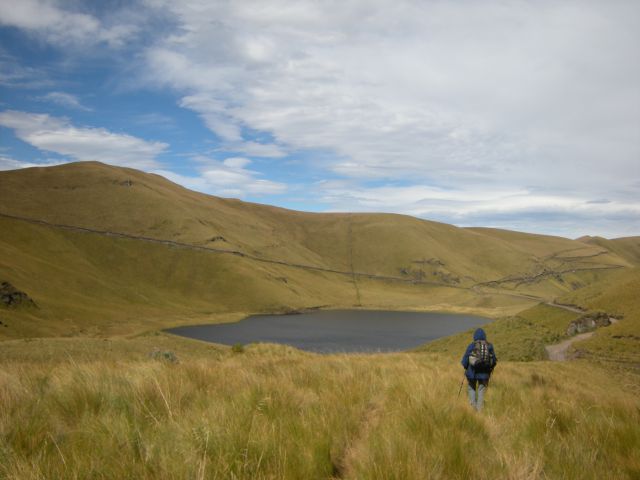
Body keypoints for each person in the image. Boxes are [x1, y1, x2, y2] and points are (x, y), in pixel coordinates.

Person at [461, 328, 497, 411]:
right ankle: (480, 410)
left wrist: (466, 367)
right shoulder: (489, 346)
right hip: (485, 374)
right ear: (484, 336)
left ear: (475, 336)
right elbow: (494, 360)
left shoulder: (472, 345)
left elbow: (464, 360)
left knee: (471, 388)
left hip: (472, 373)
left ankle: (473, 409)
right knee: (481, 390)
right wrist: (490, 369)